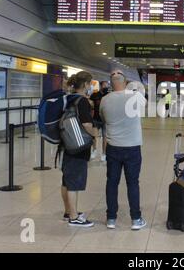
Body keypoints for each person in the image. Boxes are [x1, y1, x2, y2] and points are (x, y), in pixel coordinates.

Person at [100, 70, 147, 230]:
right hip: (132, 147)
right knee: (133, 183)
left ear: (111, 84)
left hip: (113, 147)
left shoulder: (104, 100)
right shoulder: (135, 97)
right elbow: (142, 94)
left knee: (112, 183)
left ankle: (111, 219)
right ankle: (136, 219)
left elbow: (103, 119)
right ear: (125, 82)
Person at [61, 71, 95, 227]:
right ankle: (74, 217)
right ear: (86, 84)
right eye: (90, 84)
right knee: (74, 182)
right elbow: (87, 125)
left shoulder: (68, 98)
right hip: (79, 146)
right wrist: (96, 135)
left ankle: (68, 212)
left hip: (67, 144)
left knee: (67, 181)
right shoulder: (82, 101)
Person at [90, 81, 109, 161]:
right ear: (101, 86)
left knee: (105, 137)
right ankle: (94, 150)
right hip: (96, 119)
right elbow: (90, 104)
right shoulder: (95, 95)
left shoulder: (108, 95)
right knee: (94, 136)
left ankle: (104, 154)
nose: (106, 87)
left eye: (107, 85)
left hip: (105, 119)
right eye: (104, 85)